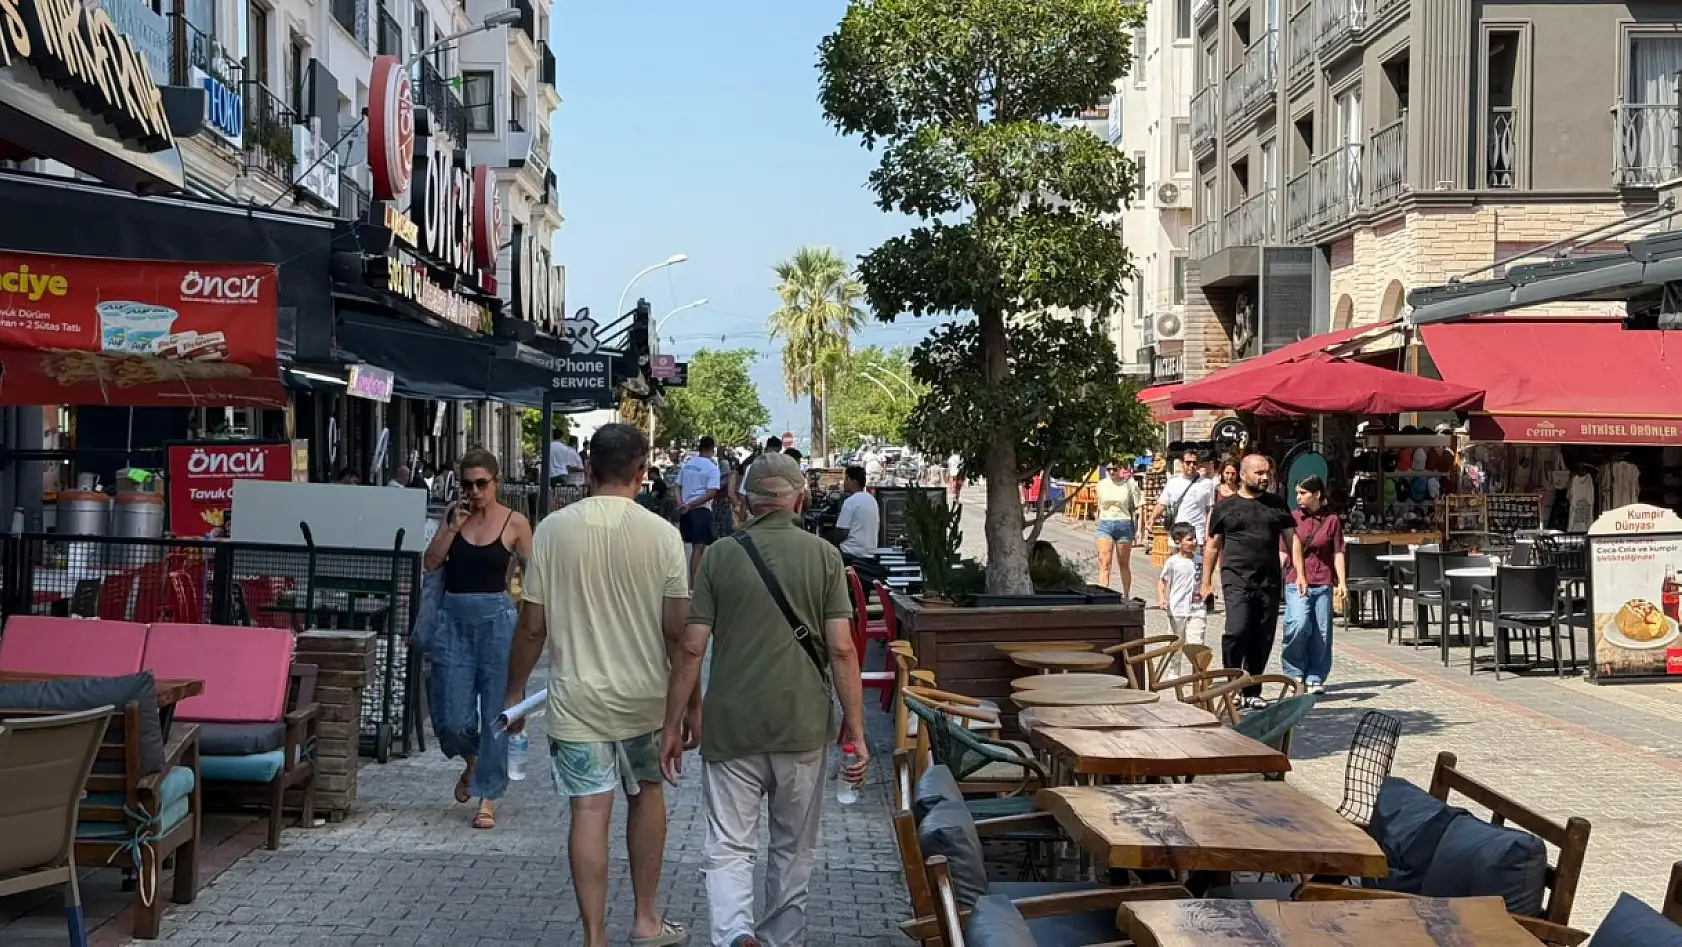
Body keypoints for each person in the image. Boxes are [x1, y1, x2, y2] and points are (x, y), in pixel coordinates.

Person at [660, 452, 867, 947]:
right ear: (799, 499)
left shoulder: (722, 556)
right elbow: (841, 649)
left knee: (730, 845)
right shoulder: (824, 557)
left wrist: (672, 724)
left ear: (746, 502)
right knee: (793, 848)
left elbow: (692, 647)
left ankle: (735, 936)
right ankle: (779, 939)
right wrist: (855, 731)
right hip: (802, 724)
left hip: (732, 725)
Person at [504, 423, 693, 947]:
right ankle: (647, 919)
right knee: (647, 796)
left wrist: (514, 692)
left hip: (577, 701)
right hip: (645, 701)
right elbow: (679, 634)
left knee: (589, 810)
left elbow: (532, 628)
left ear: (587, 469)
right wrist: (687, 708)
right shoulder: (663, 536)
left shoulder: (555, 531)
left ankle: (594, 936)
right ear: (642, 471)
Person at [422, 448, 533, 830]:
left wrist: (535, 628)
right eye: (467, 484)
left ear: (496, 482)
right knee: (452, 717)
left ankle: (488, 794)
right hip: (453, 620)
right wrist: (451, 527)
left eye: (481, 483)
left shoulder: (515, 523)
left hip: (497, 621)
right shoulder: (456, 518)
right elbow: (430, 562)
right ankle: (472, 762)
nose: (474, 491)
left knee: (494, 715)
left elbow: (533, 577)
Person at [1201, 455, 1299, 708]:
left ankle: (1252, 691)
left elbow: (1291, 537)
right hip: (1236, 579)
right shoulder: (1225, 507)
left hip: (1269, 581)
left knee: (1262, 636)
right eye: (1258, 473)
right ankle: (1232, 680)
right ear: (1242, 475)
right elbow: (1212, 546)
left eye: (1267, 472)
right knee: (1237, 630)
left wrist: (1300, 572)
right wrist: (1205, 582)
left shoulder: (1276, 504)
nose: (1264, 477)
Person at [1283, 475, 1346, 695]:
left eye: (1303, 493)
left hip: (1322, 580)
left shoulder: (1332, 520)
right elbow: (1283, 552)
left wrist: (1342, 582)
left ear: (1317, 494)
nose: (1298, 497)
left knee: (1321, 632)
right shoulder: (1291, 518)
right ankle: (1293, 671)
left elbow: (1338, 552)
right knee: (1297, 624)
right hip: (1295, 580)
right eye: (1297, 493)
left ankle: (1315, 675)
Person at [1147, 449, 1218, 572]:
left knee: (1195, 573)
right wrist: (1151, 519)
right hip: (1177, 535)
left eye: (1194, 463)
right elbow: (1162, 504)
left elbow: (1209, 510)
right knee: (1176, 571)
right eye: (1188, 462)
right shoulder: (1173, 483)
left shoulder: (1207, 484)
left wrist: (1207, 534)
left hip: (1197, 536)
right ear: (1181, 463)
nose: (1191, 465)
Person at [1158, 523, 1206, 677]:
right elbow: (1163, 581)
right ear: (1178, 542)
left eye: (1194, 539)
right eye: (1189, 539)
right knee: (1176, 642)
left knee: (1196, 642)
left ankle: (1198, 673)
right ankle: (1174, 671)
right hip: (1177, 608)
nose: (1194, 542)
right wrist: (1162, 599)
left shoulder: (1200, 560)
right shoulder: (1173, 562)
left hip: (1197, 608)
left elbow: (1206, 580)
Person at [675, 436, 723, 581]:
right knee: (698, 549)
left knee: (685, 547)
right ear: (712, 449)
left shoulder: (687, 464)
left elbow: (676, 486)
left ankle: (682, 580)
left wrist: (682, 503)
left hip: (685, 510)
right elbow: (712, 492)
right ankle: (695, 585)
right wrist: (692, 505)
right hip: (701, 510)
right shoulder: (712, 468)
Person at [1094, 460, 1143, 597]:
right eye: (1108, 469)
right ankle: (1103, 595)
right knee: (1104, 562)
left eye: (1114, 469)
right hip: (1105, 524)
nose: (1111, 472)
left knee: (1123, 563)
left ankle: (1126, 594)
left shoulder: (1130, 484)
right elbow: (1099, 505)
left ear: (1121, 469)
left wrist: (1140, 529)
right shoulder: (1101, 485)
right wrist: (1097, 521)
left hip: (1124, 523)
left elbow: (1140, 506)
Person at [833, 464, 885, 585]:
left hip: (850, 554)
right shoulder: (871, 500)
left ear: (853, 482)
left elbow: (841, 533)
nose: (844, 483)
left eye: (846, 479)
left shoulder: (850, 502)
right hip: (869, 555)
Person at [714, 455, 739, 539]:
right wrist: (737, 506)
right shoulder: (732, 474)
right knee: (727, 532)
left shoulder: (716, 475)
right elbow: (730, 492)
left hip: (716, 503)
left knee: (718, 531)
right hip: (726, 504)